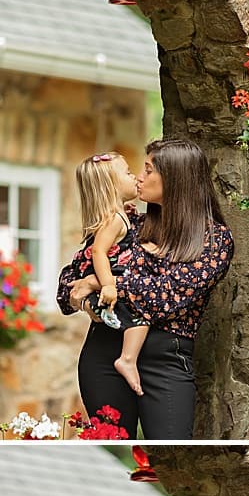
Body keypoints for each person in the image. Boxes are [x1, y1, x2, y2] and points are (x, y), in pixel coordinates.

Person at [56, 138, 234, 438]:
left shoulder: (214, 241)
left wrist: (101, 282)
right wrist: (89, 303)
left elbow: (166, 295)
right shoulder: (129, 224)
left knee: (172, 454)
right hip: (103, 355)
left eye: (149, 170)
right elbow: (67, 285)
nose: (139, 176)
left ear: (176, 179)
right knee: (109, 448)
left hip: (167, 360)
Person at [65, 152, 151, 396]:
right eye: (127, 172)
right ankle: (127, 359)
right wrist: (109, 285)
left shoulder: (122, 216)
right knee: (142, 317)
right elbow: (98, 253)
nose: (134, 176)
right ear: (112, 187)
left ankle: (107, 325)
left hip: (107, 288)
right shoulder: (114, 219)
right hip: (111, 286)